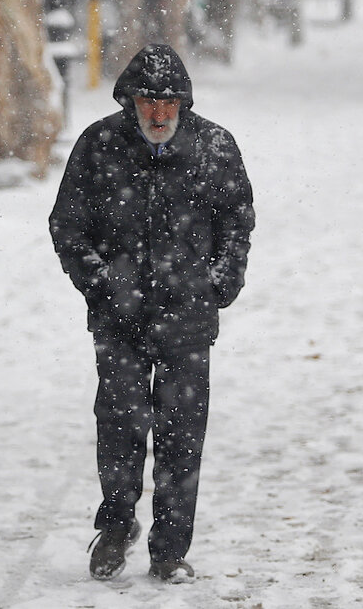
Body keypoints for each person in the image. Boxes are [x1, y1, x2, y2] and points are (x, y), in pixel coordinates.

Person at [49, 43, 255, 583]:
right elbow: (67, 226)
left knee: (182, 435)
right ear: (131, 101)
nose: (159, 114)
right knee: (118, 426)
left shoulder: (214, 146)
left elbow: (237, 220)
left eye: (169, 102)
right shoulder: (98, 146)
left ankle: (169, 550)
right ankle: (116, 525)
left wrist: (218, 284)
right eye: (148, 101)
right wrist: (99, 283)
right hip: (119, 318)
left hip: (187, 318)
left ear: (183, 103)